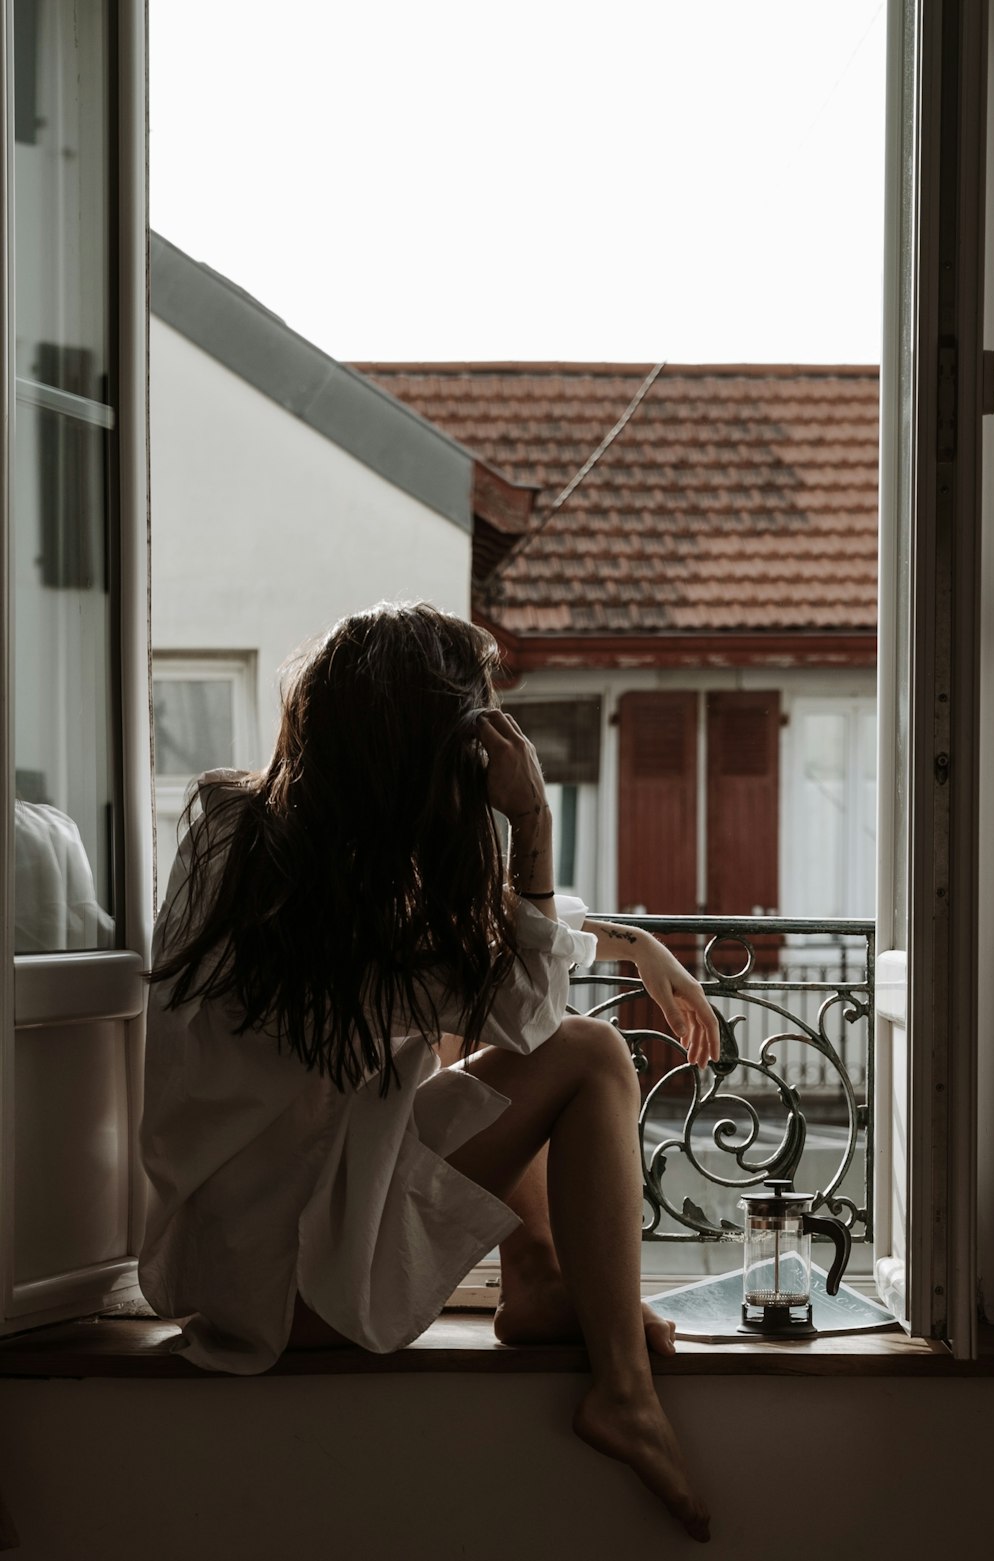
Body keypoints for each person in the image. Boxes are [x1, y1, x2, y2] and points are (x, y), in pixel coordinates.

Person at [140, 601, 719, 1542]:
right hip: (299, 1289)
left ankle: (534, 1275)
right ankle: (624, 1390)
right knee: (590, 1055)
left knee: (461, 1054)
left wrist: (627, 934)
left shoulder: (230, 833)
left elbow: (461, 946)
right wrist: (530, 818)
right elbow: (530, 1015)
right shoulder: (364, 906)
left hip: (224, 1270)